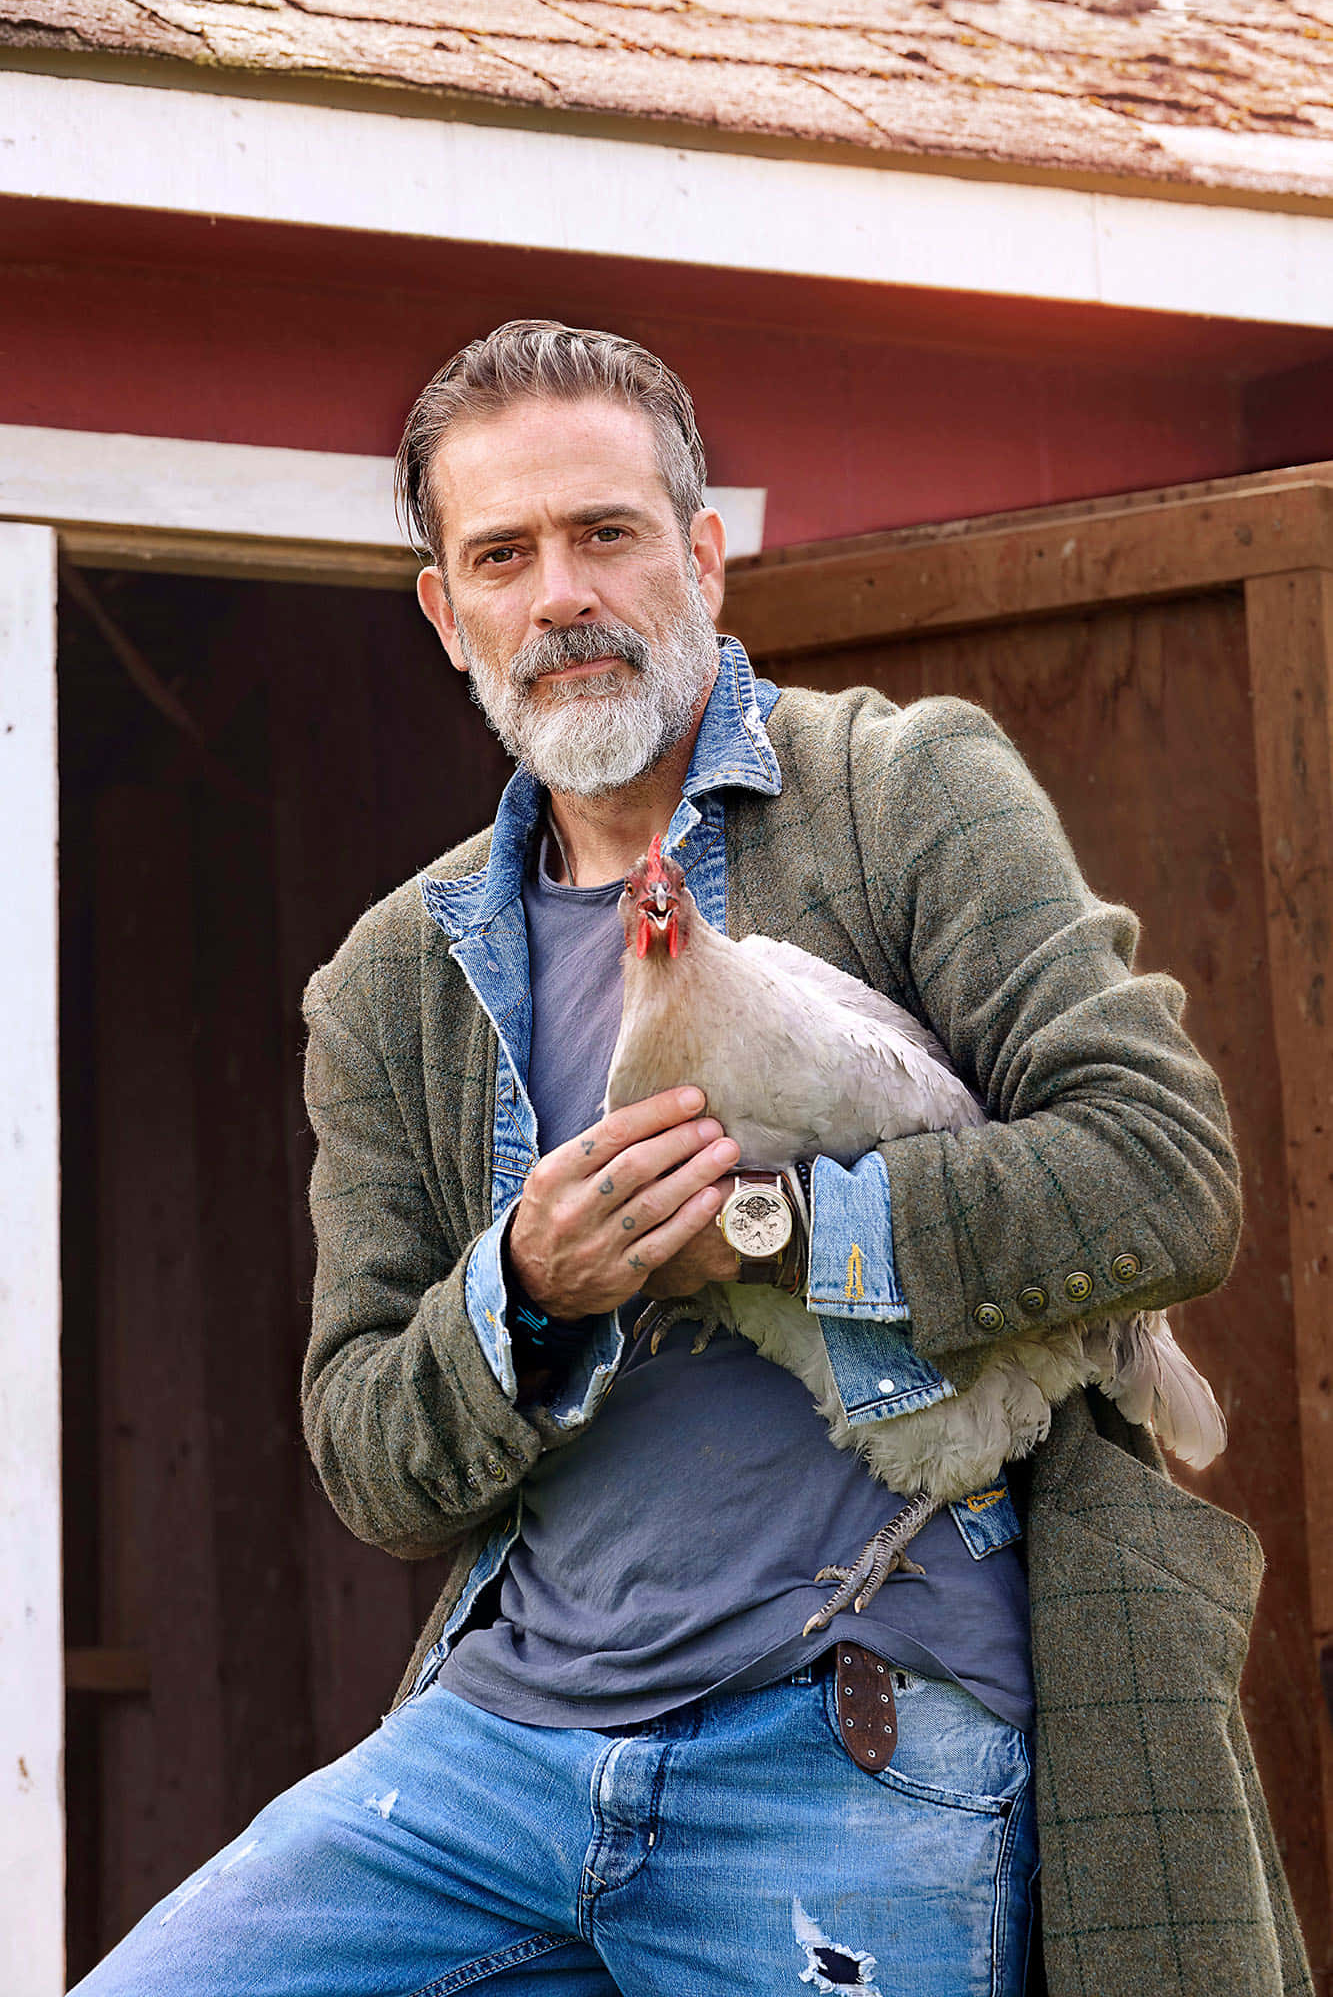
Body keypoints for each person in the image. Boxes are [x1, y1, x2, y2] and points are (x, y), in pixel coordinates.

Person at [74, 321, 1311, 1997]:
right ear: (445, 613)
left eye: (605, 533)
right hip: (498, 1751)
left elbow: (1160, 1171)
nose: (560, 596)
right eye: (501, 555)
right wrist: (523, 1290)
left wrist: (776, 1229)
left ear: (704, 557)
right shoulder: (392, 982)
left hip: (852, 1728)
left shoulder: (896, 796)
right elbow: (367, 1455)